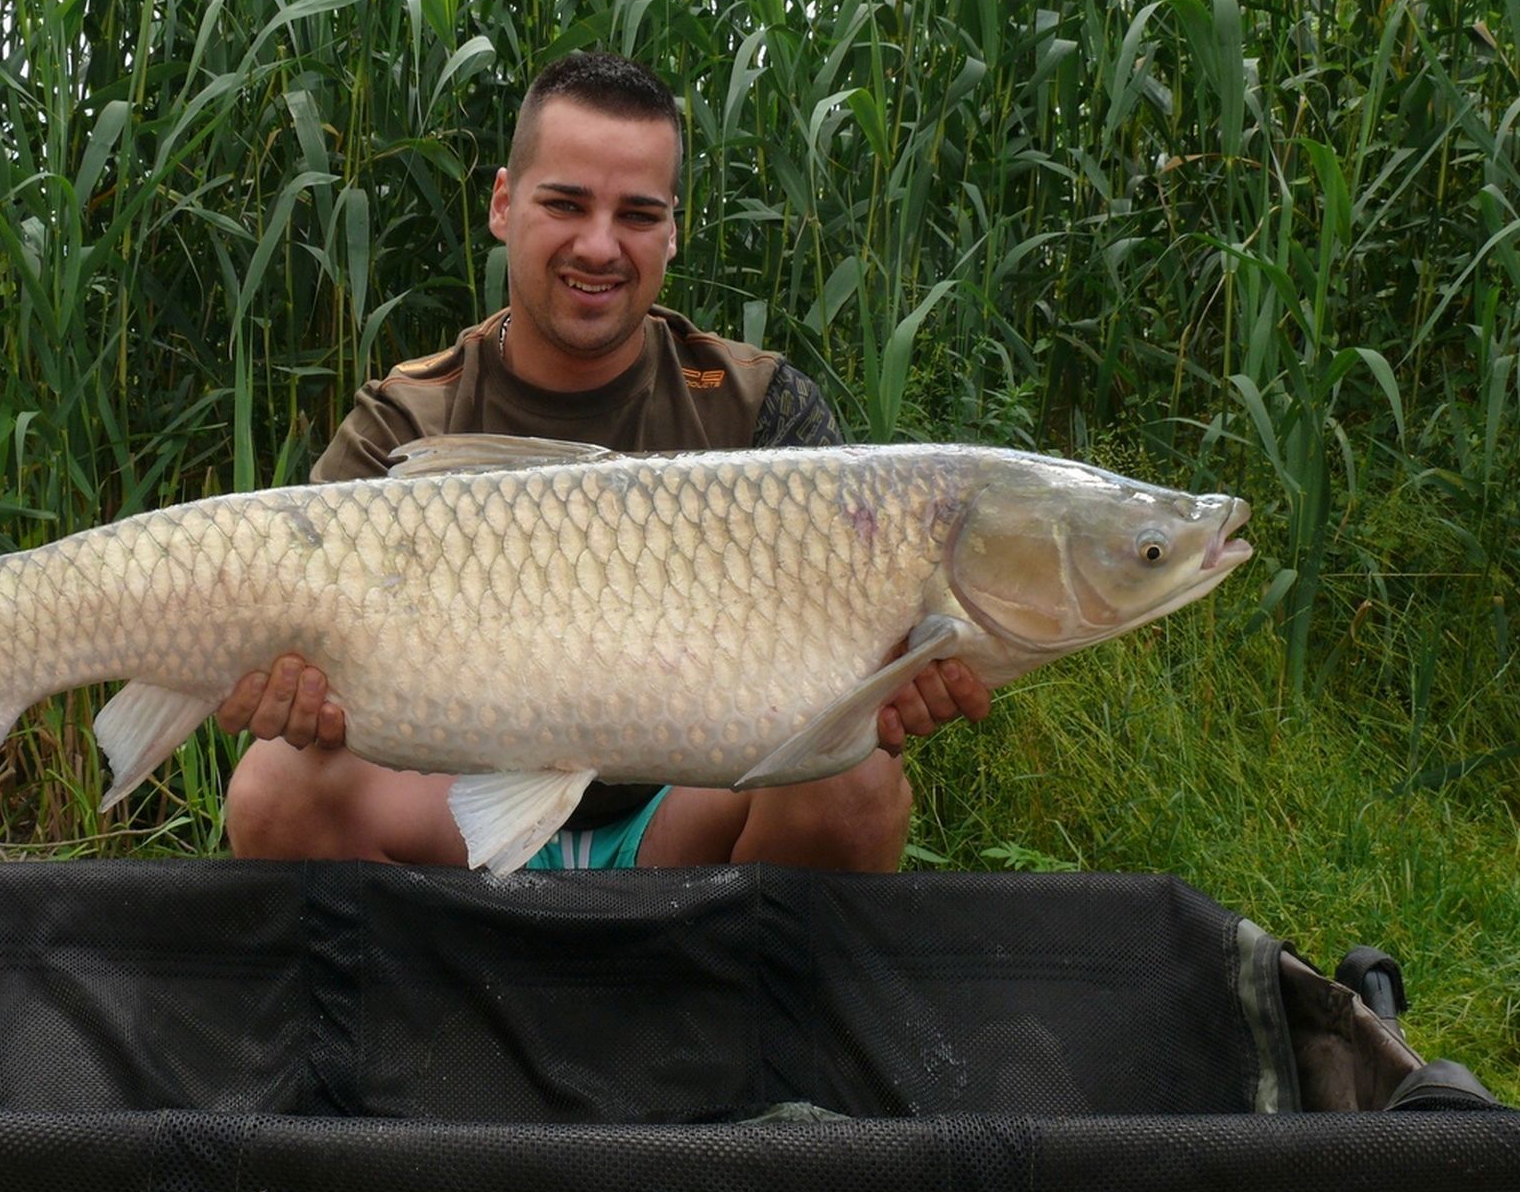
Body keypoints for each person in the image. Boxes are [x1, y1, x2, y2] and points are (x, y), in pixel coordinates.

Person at [219, 52, 990, 873]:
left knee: (854, 782)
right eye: (566, 203)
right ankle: (436, 992)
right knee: (274, 787)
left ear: (672, 230)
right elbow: (295, 644)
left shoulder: (760, 407)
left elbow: (864, 670)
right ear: (505, 205)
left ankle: (722, 995)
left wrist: (899, 681)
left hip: (686, 817)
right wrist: (287, 687)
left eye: (636, 214)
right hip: (445, 810)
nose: (599, 245)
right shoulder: (408, 417)